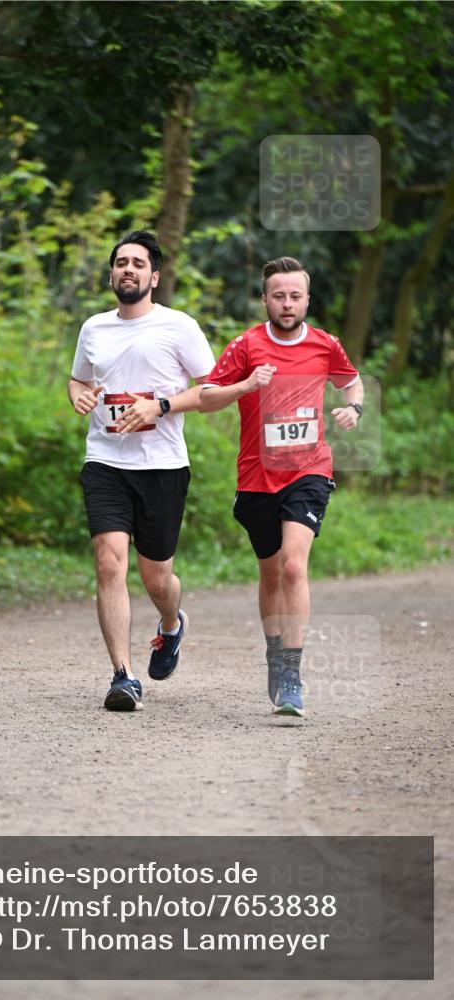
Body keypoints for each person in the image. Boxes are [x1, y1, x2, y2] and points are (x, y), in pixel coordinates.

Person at [199, 256, 363, 717]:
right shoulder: (246, 345)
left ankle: (292, 673)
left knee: (294, 567)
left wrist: (355, 410)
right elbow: (208, 399)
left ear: (307, 299)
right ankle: (275, 651)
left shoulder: (325, 344)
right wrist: (248, 383)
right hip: (256, 478)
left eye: (295, 296)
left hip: (309, 471)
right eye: (278, 296)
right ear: (265, 299)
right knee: (270, 572)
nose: (287, 304)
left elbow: (352, 385)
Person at [68, 231, 216, 712]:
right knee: (109, 561)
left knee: (157, 579)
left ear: (153, 277)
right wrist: (79, 396)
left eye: (137, 263)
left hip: (162, 466)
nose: (127, 269)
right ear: (111, 274)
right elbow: (79, 379)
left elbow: (212, 390)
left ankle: (171, 625)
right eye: (120, 262)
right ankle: (123, 676)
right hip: (106, 460)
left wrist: (161, 405)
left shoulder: (178, 326)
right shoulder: (94, 328)